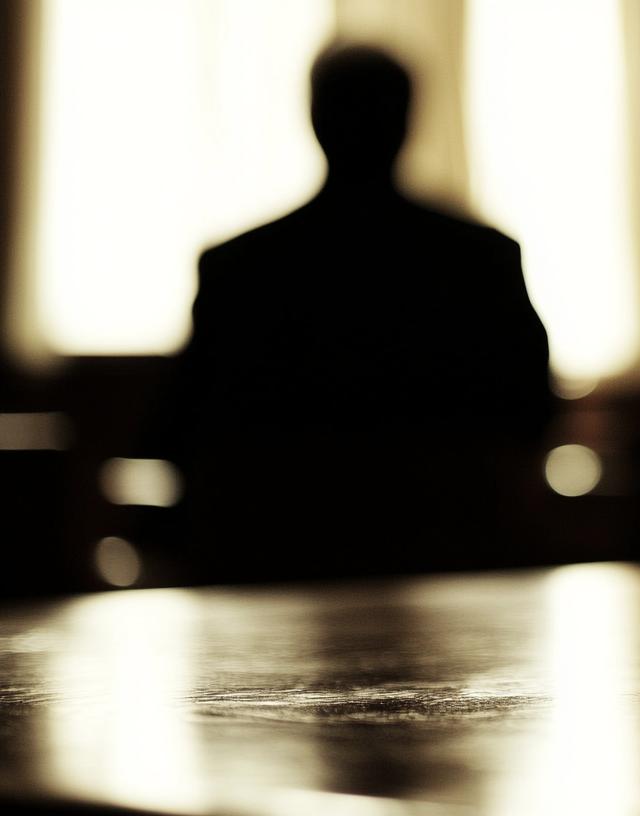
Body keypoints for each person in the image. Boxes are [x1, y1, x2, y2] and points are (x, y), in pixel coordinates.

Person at [163, 45, 554, 582]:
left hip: (272, 552)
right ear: (407, 121)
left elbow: (181, 422)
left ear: (315, 118)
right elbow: (532, 408)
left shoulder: (240, 266)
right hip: (456, 553)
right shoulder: (481, 257)